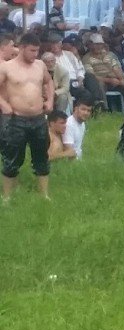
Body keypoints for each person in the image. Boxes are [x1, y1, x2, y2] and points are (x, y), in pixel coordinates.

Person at [0, 34, 53, 204]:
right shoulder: (7, 67)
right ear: (21, 48)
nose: (35, 54)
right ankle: (7, 197)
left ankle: (44, 195)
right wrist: (3, 104)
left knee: (41, 156)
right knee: (12, 158)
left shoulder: (40, 65)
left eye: (37, 50)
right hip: (16, 119)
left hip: (38, 118)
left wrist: (50, 100)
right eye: (32, 50)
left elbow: (49, 82)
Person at [83, 35, 124, 110]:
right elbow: (91, 76)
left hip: (115, 79)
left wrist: (121, 79)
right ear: (90, 45)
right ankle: (104, 110)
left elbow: (117, 68)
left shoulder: (110, 55)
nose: (98, 47)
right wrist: (110, 80)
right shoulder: (86, 58)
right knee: (99, 85)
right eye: (96, 44)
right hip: (101, 80)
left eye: (100, 44)